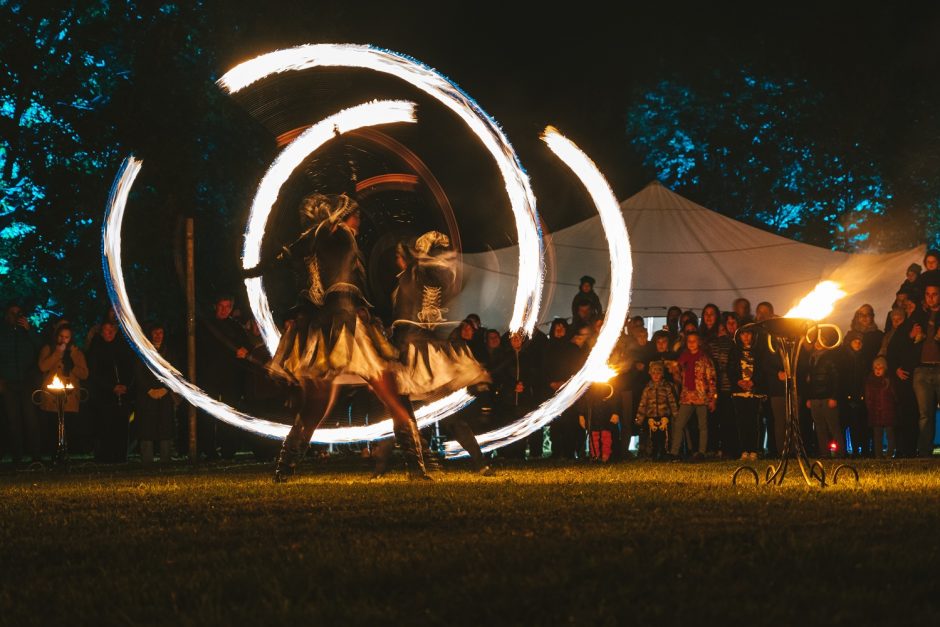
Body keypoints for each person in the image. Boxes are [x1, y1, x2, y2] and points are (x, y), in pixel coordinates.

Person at [250, 193, 435, 481]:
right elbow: (291, 254)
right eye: (355, 214)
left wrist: (257, 268)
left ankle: (284, 469)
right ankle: (416, 467)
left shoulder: (319, 239)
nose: (359, 220)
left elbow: (287, 256)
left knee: (353, 400)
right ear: (339, 215)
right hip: (340, 326)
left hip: (344, 321)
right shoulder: (332, 234)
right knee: (330, 405)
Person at [197, 295, 252, 459]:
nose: (224, 310)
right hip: (209, 377)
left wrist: (244, 351)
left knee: (229, 414)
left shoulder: (236, 328)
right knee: (208, 416)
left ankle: (228, 449)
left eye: (228, 307)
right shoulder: (206, 327)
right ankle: (209, 449)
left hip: (230, 378)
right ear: (216, 306)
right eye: (221, 306)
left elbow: (246, 347)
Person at [86, 320, 135, 463]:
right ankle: (105, 458)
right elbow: (95, 373)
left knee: (122, 428)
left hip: (123, 395)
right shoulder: (97, 348)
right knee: (105, 427)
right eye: (106, 330)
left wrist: (125, 386)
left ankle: (121, 457)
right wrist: (111, 387)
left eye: (112, 330)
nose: (110, 333)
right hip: (104, 396)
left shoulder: (123, 347)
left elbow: (130, 369)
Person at [37, 325, 88, 460]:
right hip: (52, 397)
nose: (63, 340)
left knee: (68, 427)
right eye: (61, 336)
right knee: (52, 428)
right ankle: (54, 455)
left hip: (69, 398)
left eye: (67, 337)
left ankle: (66, 455)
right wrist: (57, 354)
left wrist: (72, 366)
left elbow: (84, 374)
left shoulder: (76, 352)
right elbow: (43, 367)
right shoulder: (48, 349)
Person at [0, 303, 41, 464]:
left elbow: (40, 347)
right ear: (7, 316)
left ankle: (36, 455)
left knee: (30, 419)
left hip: (26, 382)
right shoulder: (3, 334)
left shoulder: (27, 333)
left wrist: (29, 330)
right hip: (8, 382)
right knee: (13, 420)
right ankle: (17, 456)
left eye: (19, 313)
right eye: (13, 313)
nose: (16, 316)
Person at [669, 331, 716, 460]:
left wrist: (712, 398)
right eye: (689, 341)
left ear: (699, 342)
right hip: (687, 396)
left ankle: (701, 452)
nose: (691, 344)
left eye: (694, 341)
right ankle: (674, 452)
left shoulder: (705, 359)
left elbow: (711, 379)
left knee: (702, 425)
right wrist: (675, 370)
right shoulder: (683, 358)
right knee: (679, 424)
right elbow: (678, 377)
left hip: (701, 396)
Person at [547, 322, 590, 459]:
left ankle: (569, 451)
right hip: (552, 390)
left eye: (562, 328)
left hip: (569, 390)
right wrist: (551, 382)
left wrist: (566, 383)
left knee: (570, 423)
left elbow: (577, 369)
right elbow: (543, 367)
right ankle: (556, 452)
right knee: (555, 422)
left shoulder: (573, 349)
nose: (559, 330)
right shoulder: (548, 348)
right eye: (556, 328)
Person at [135, 324, 177, 463]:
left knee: (165, 425)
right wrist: (149, 389)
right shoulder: (143, 351)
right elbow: (139, 372)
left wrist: (165, 388)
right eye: (155, 332)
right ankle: (147, 459)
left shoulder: (169, 351)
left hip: (164, 394)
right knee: (147, 426)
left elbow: (173, 372)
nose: (158, 335)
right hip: (147, 395)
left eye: (161, 332)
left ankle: (165, 459)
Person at [908, 282, 940, 457]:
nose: (931, 298)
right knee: (925, 414)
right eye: (928, 294)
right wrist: (912, 337)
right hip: (921, 369)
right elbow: (907, 341)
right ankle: (925, 451)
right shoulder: (919, 315)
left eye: (934, 294)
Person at [803, 328, 843, 457]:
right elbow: (809, 381)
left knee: (833, 427)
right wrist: (809, 398)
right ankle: (824, 454)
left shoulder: (831, 358)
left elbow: (837, 378)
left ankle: (840, 453)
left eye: (822, 340)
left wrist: (834, 397)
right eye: (817, 341)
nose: (818, 343)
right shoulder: (812, 359)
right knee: (819, 427)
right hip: (815, 399)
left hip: (827, 398)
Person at [729, 327, 765, 461]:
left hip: (754, 392)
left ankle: (754, 450)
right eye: (743, 334)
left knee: (754, 421)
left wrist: (753, 382)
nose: (746, 337)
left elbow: (762, 369)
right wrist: (738, 381)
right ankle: (744, 450)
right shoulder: (735, 352)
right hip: (739, 392)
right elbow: (730, 369)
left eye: (749, 333)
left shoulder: (758, 352)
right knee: (742, 421)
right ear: (738, 336)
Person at [634, 362, 678, 460]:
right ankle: (653, 453)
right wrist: (639, 418)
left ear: (662, 374)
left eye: (658, 373)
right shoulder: (647, 388)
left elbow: (672, 401)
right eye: (653, 373)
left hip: (664, 416)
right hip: (651, 417)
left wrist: (676, 414)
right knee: (653, 436)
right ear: (650, 374)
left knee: (664, 436)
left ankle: (663, 452)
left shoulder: (667, 387)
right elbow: (643, 404)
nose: (656, 376)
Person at [865, 357, 897, 459]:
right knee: (877, 435)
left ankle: (889, 454)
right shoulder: (870, 381)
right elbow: (868, 397)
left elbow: (895, 396)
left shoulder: (889, 381)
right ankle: (878, 454)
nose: (878, 370)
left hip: (888, 411)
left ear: (885, 368)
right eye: (876, 367)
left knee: (889, 434)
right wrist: (870, 407)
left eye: (880, 367)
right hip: (875, 412)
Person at [580, 383, 620, 462]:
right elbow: (583, 399)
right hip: (592, 414)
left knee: (606, 435)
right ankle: (595, 456)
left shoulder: (610, 385)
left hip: (606, 414)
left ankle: (606, 456)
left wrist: (616, 412)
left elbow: (615, 397)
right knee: (594, 435)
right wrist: (581, 414)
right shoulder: (588, 386)